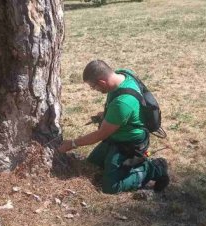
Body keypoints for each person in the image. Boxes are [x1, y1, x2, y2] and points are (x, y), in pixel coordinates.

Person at [58, 60, 169, 194]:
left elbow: (100, 134)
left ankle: (154, 168)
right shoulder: (123, 74)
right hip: (117, 135)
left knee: (111, 187)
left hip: (128, 143)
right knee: (93, 164)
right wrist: (106, 115)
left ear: (102, 82)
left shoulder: (122, 103)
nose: (95, 90)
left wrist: (73, 143)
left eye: (94, 87)